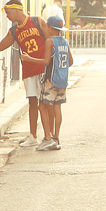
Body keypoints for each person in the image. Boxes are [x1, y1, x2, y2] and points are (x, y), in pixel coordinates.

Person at [0, 0, 50, 147]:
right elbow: (0, 46)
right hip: (29, 69)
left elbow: (50, 40)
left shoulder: (37, 21)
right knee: (32, 102)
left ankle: (50, 136)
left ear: (17, 10)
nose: (7, 16)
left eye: (8, 13)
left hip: (43, 67)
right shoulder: (14, 31)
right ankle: (33, 136)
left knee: (46, 103)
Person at [37, 15, 72, 152]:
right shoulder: (64, 41)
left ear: (50, 28)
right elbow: (71, 61)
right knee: (57, 108)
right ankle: (56, 137)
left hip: (51, 79)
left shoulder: (49, 42)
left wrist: (29, 59)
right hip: (62, 80)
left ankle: (48, 137)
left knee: (42, 106)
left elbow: (46, 62)